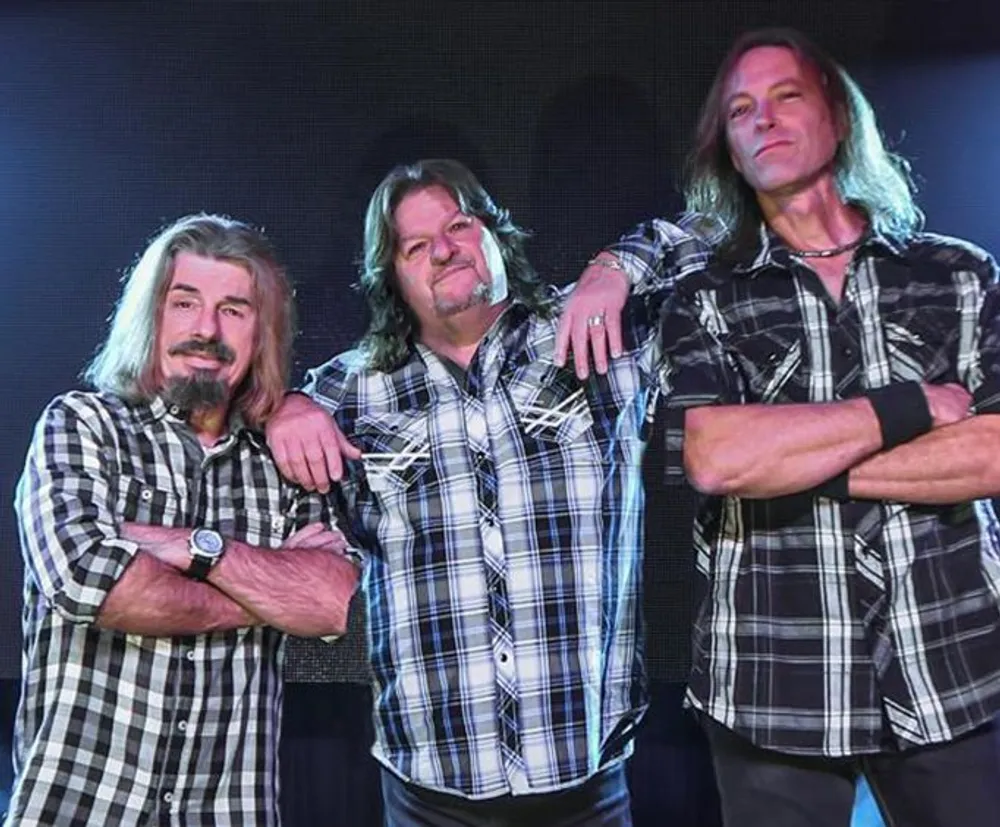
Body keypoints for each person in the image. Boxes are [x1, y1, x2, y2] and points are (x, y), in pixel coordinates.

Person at [589, 27, 1000, 827]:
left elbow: (994, 452)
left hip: (953, 670)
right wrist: (907, 411)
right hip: (774, 692)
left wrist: (794, 454)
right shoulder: (706, 297)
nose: (763, 120)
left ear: (838, 117)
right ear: (729, 151)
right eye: (741, 111)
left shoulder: (957, 274)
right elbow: (710, 457)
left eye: (786, 97)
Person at [263, 158, 711, 825]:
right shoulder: (344, 395)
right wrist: (283, 405)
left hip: (585, 780)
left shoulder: (593, 331)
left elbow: (730, 226)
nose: (443, 250)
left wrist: (616, 267)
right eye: (415, 246)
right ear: (391, 278)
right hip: (430, 792)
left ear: (496, 234)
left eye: (459, 225)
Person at [7, 214, 359, 826]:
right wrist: (265, 593)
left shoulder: (283, 463)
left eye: (234, 310)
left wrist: (192, 550)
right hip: (76, 809)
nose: (205, 328)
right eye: (184, 301)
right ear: (151, 315)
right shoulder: (82, 425)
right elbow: (91, 581)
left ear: (262, 335)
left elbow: (334, 605)